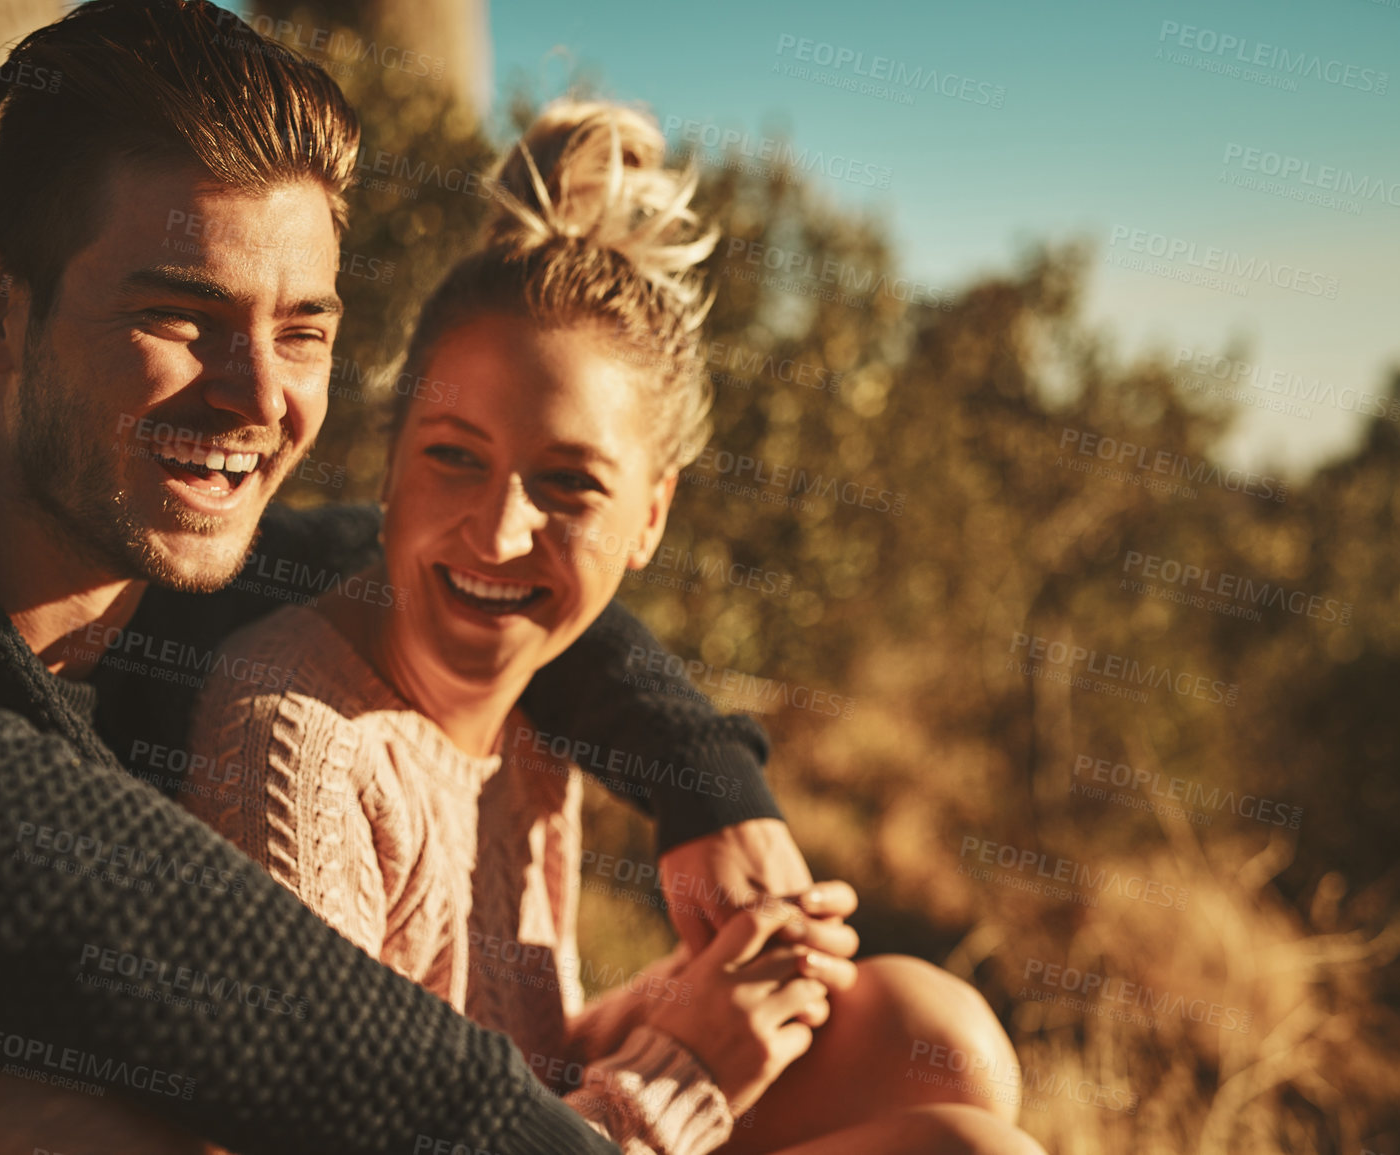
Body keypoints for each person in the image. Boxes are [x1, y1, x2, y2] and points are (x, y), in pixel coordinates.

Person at [0, 2, 848, 1152]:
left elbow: (479, 564)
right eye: (179, 314)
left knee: (909, 1033)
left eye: (301, 330)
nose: (259, 398)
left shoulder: (201, 568)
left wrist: (706, 783)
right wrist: (522, 1136)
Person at [182, 98, 1047, 1155]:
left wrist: (706, 999)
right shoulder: (298, 745)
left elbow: (511, 1055)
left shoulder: (537, 683)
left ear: (652, 516)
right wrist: (683, 1072)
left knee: (934, 1037)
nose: (500, 534)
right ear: (390, 453)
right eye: (455, 455)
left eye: (568, 485)